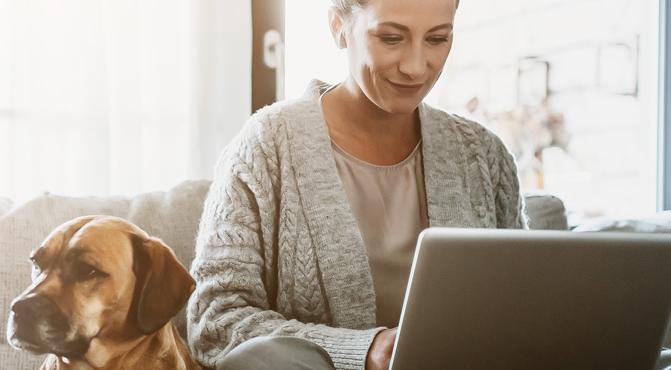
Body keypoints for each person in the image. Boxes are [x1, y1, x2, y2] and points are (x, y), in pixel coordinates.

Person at [186, 0, 526, 369]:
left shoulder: (483, 154)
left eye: (437, 39)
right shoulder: (266, 146)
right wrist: (365, 350)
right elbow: (216, 322)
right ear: (338, 26)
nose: (415, 66)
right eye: (391, 38)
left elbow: (525, 304)